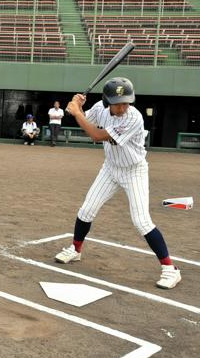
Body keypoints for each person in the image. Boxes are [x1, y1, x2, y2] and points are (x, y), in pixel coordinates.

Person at [54, 77, 181, 289]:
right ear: (106, 101)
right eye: (117, 102)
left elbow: (96, 135)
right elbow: (85, 119)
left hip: (134, 171)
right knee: (86, 210)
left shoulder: (134, 118)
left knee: (141, 221)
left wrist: (76, 112)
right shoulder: (100, 108)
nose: (122, 107)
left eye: (126, 102)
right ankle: (76, 250)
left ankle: (170, 269)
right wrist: (76, 106)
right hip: (111, 168)